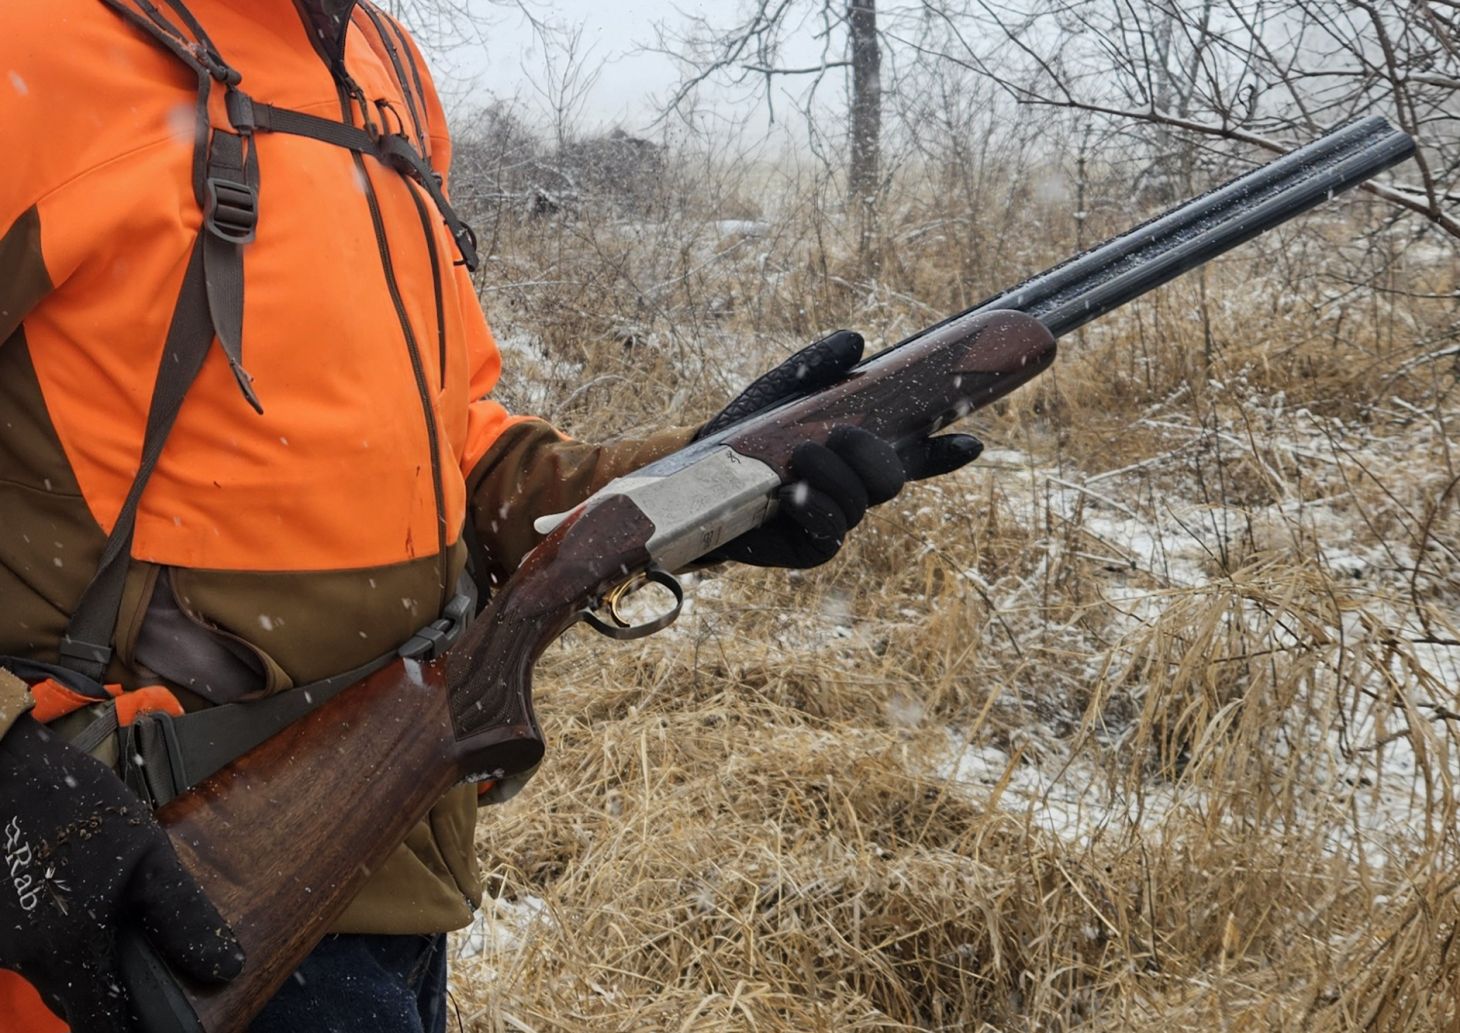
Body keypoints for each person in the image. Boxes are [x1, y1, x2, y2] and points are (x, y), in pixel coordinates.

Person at [0, 1, 981, 1030]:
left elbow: (450, 444)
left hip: (371, 860)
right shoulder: (36, 40)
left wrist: (718, 480)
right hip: (129, 891)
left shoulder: (381, 63)